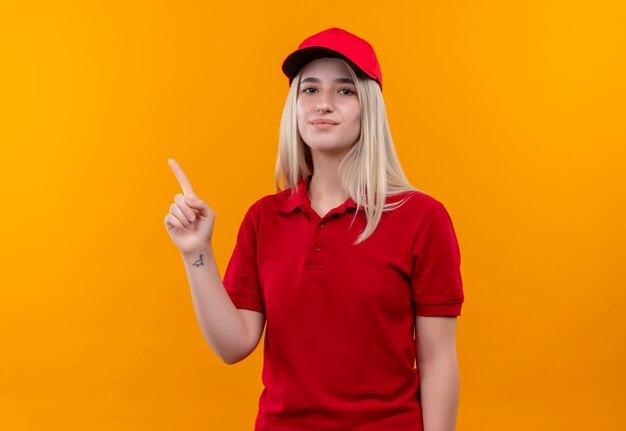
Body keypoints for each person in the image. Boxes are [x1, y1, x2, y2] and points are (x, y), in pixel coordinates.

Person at [165, 27, 464, 431]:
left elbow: (438, 361)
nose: (323, 104)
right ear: (294, 107)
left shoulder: (422, 218)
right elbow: (234, 346)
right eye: (310, 90)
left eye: (344, 90)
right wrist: (195, 252)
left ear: (368, 108)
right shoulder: (264, 219)